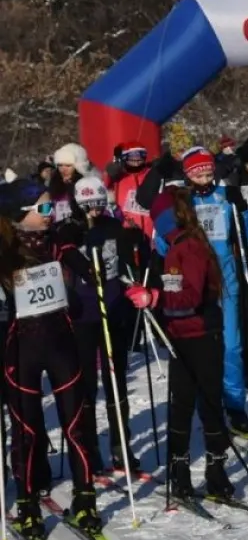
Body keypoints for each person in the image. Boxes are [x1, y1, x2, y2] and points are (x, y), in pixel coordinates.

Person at [3, 182, 103, 537]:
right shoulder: (7, 250)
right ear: (22, 214)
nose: (50, 216)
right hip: (22, 347)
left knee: (77, 424)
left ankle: (86, 499)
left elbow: (75, 255)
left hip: (61, 342)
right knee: (27, 430)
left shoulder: (57, 241)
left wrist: (86, 272)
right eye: (42, 210)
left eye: (51, 209)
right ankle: (28, 504)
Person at [129, 189, 235, 500]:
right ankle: (180, 472)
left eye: (155, 220)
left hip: (201, 335)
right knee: (182, 405)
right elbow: (177, 291)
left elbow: (188, 297)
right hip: (182, 336)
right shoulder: (177, 247)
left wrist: (155, 297)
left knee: (207, 404)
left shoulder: (187, 247)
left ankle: (216, 471)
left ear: (165, 219)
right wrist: (152, 295)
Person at [73, 174, 148, 478]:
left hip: (112, 310)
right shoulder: (71, 232)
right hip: (83, 316)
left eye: (98, 204)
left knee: (116, 382)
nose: (94, 211)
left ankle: (121, 446)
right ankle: (88, 448)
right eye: (88, 206)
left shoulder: (113, 228)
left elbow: (131, 262)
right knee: (87, 385)